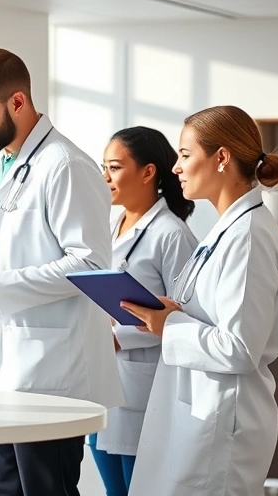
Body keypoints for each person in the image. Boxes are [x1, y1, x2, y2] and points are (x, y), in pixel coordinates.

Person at [0, 48, 123, 496]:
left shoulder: (66, 165)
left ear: (17, 102)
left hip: (50, 377)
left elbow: (90, 265)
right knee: (7, 489)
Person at [123, 105, 278, 496]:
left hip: (222, 422)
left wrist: (170, 324)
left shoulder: (248, 237)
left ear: (221, 157)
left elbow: (239, 348)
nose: (175, 168)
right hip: (201, 414)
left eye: (185, 155)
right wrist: (172, 313)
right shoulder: (227, 230)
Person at [88, 126, 198, 496]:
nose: (105, 177)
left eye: (115, 167)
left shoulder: (171, 234)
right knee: (113, 490)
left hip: (145, 387)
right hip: (104, 381)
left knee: (138, 488)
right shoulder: (109, 226)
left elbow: (184, 316)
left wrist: (119, 337)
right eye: (104, 167)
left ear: (148, 172)